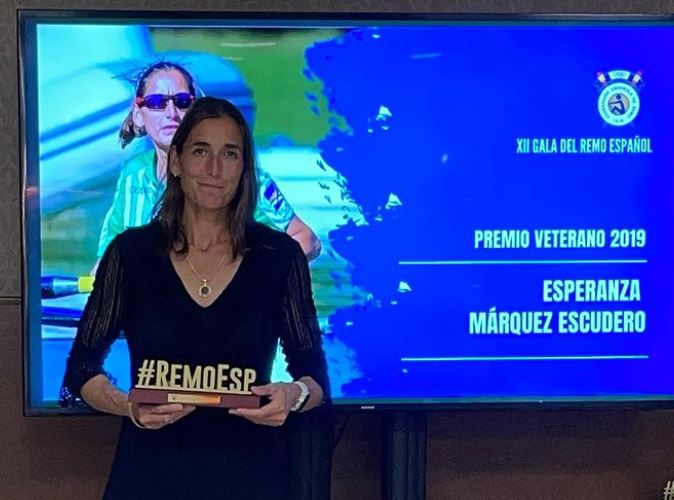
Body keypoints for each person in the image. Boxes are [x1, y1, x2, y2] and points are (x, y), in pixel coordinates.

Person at [60, 97, 332, 499]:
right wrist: (127, 405)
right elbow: (80, 370)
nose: (214, 169)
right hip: (149, 478)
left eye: (230, 154)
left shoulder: (279, 257)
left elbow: (315, 377)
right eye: (201, 151)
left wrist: (294, 395)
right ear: (176, 162)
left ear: (244, 167)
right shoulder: (130, 254)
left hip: (251, 478)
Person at [95, 61, 321, 269]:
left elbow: (307, 241)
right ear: (138, 115)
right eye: (157, 103)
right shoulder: (133, 174)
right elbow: (106, 259)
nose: (171, 113)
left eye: (182, 102)